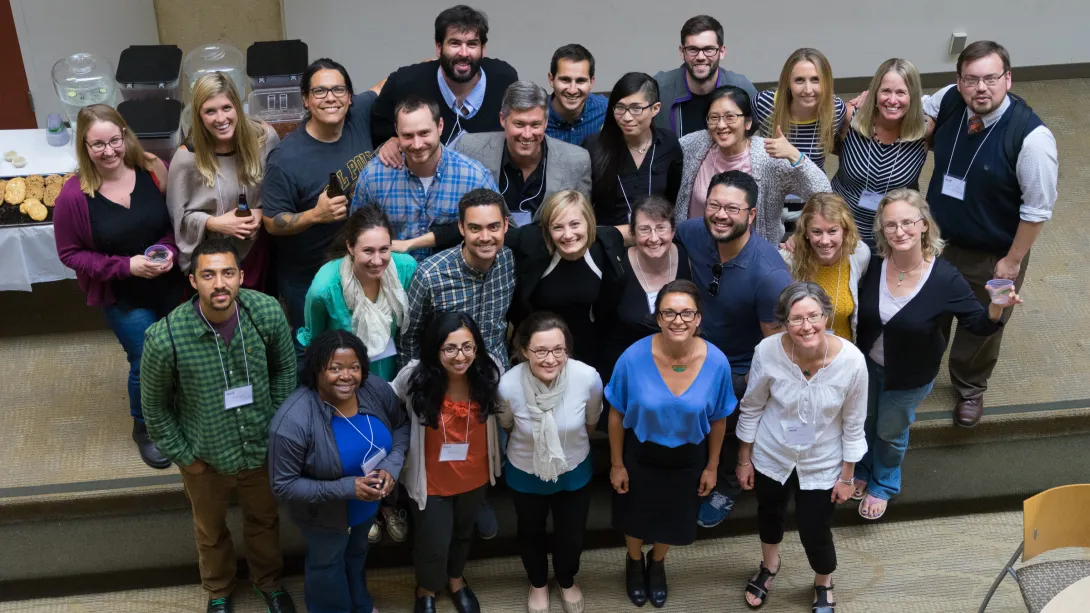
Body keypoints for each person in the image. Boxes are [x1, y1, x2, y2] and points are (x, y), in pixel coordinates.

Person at [140, 239, 297, 613]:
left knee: (264, 520)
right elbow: (154, 410)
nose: (219, 283)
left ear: (241, 276)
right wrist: (185, 457)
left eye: (228, 273)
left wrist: (276, 428)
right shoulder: (166, 339)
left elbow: (286, 372)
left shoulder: (267, 313)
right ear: (193, 281)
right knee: (210, 532)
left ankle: (269, 583)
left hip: (260, 449)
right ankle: (219, 591)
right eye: (208, 275)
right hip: (204, 456)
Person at [854, 189, 1022, 521]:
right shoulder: (871, 266)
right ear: (881, 231)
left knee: (890, 429)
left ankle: (884, 483)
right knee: (865, 420)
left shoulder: (944, 278)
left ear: (923, 226)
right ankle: (862, 465)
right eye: (890, 225)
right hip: (867, 367)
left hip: (910, 377)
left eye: (907, 223)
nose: (899, 232)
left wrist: (995, 308)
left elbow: (978, 325)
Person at [923, 41, 1058, 427]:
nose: (981, 88)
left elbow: (1036, 212)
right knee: (930, 310)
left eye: (991, 78)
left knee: (987, 321)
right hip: (937, 242)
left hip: (997, 253)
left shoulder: (1033, 141)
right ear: (959, 81)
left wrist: (1012, 262)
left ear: (1008, 79)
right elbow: (922, 108)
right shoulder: (950, 101)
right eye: (971, 79)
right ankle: (922, 371)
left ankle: (970, 387)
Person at [53, 103, 181, 469]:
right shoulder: (73, 197)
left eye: (114, 140)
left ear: (125, 135)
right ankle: (145, 427)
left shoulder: (154, 170)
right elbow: (70, 254)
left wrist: (168, 250)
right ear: (84, 146)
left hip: (167, 282)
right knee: (146, 358)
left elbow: (172, 224)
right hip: (122, 294)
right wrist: (126, 266)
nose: (108, 151)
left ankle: (175, 409)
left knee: (176, 349)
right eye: (97, 145)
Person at [735, 282, 867, 612]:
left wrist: (847, 476)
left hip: (823, 461)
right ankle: (769, 567)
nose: (806, 326)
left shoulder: (852, 362)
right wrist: (744, 459)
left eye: (814, 316)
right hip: (771, 453)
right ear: (784, 321)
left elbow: (853, 423)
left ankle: (824, 581)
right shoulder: (767, 351)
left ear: (827, 316)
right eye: (796, 319)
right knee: (769, 513)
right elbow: (752, 406)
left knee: (815, 527)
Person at [673, 170, 792, 529]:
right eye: (714, 205)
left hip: (740, 368)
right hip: (693, 351)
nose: (721, 215)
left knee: (729, 417)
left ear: (751, 215)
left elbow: (775, 347)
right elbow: (654, 232)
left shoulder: (770, 274)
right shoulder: (696, 232)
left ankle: (727, 484)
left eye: (732, 209)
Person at [607, 279, 735, 609]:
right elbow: (616, 412)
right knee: (634, 516)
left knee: (674, 518)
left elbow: (719, 417)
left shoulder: (717, 362)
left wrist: (712, 466)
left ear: (698, 318)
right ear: (658, 317)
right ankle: (634, 562)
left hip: (689, 457)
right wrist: (617, 463)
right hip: (640, 453)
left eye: (686, 313)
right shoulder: (632, 358)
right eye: (669, 313)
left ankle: (657, 563)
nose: (678, 320)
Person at [268, 330, 411, 613]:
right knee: (327, 564)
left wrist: (392, 467)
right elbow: (282, 485)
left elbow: (401, 426)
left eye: (354, 367)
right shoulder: (292, 420)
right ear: (317, 369)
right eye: (335, 368)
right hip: (322, 515)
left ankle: (359, 603)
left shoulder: (375, 389)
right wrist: (348, 488)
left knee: (357, 554)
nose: (346, 376)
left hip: (366, 506)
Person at [416, 190, 626, 374]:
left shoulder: (607, 244)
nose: (568, 234)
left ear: (590, 223)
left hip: (587, 346)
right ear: (547, 230)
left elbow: (641, 232)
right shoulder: (532, 242)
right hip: (536, 349)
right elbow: (479, 235)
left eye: (575, 224)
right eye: (558, 227)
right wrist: (409, 244)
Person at [262, 58, 378, 351]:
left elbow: (387, 84)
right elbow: (271, 222)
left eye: (338, 90)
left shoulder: (359, 115)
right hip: (308, 277)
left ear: (350, 97)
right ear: (305, 99)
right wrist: (315, 215)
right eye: (320, 91)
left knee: (360, 346)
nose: (330, 98)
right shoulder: (286, 159)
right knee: (314, 351)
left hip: (357, 267)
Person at [391, 313, 503, 613]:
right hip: (432, 480)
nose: (460, 356)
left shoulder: (488, 372)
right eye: (450, 348)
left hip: (474, 475)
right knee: (433, 541)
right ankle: (426, 587)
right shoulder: (414, 376)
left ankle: (456, 580)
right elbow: (390, 400)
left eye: (468, 347)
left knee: (464, 533)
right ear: (435, 349)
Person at [497, 312, 603, 613]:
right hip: (525, 470)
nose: (550, 359)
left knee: (571, 533)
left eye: (558, 349)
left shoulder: (587, 377)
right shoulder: (507, 384)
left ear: (567, 349)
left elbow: (591, 420)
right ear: (524, 351)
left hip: (573, 470)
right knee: (530, 530)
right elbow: (507, 425)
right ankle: (538, 583)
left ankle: (567, 580)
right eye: (540, 350)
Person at [675, 86, 830, 245]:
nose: (721, 125)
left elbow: (824, 194)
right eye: (714, 117)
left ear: (748, 122)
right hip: (696, 253)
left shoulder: (769, 156)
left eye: (730, 117)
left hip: (752, 259)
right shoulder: (692, 146)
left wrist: (795, 155)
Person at [168, 72, 279, 290]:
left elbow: (280, 190)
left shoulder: (264, 139)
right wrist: (215, 223)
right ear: (199, 116)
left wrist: (262, 211)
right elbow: (178, 219)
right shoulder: (187, 157)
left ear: (237, 106)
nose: (221, 119)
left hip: (259, 250)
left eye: (226, 108)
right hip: (215, 259)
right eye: (210, 111)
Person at [352, 96, 498, 261]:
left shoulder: (475, 178)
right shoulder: (373, 178)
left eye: (424, 133)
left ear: (440, 126)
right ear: (396, 131)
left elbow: (497, 235)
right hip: (390, 279)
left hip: (453, 283)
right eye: (407, 135)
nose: (417, 144)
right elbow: (356, 236)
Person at [371, 5, 518, 164]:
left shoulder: (504, 80)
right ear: (439, 47)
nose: (463, 53)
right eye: (454, 43)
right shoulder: (404, 84)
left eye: (472, 44)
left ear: (483, 49)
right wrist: (390, 141)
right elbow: (377, 132)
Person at [299, 206, 417, 382]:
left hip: (391, 372)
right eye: (368, 251)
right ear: (350, 247)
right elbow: (316, 345)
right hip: (344, 379)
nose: (377, 261)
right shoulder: (324, 289)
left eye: (384, 249)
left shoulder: (405, 269)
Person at [398, 188, 513, 368]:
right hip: (445, 376)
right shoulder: (430, 275)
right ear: (461, 227)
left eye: (493, 227)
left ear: (505, 225)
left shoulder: (509, 260)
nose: (485, 237)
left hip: (495, 371)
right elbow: (408, 339)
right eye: (475, 228)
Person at [452, 81, 592, 224]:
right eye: (519, 124)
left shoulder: (577, 161)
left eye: (535, 125)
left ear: (545, 122)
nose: (527, 134)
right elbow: (457, 214)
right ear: (502, 119)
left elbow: (582, 223)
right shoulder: (469, 149)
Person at [830, 59, 929, 246]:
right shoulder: (851, 117)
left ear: (914, 96)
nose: (892, 100)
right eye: (886, 91)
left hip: (893, 233)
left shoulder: (925, 131)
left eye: (901, 92)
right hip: (841, 224)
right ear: (875, 92)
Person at [603, 195, 692, 382]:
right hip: (628, 367)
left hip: (677, 366)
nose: (654, 238)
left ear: (673, 230)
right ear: (633, 233)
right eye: (644, 229)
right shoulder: (618, 266)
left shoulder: (686, 257)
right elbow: (605, 324)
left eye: (661, 228)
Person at [583, 72, 683, 226]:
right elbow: (583, 207)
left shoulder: (668, 143)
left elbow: (672, 198)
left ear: (655, 109)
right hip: (607, 242)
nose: (627, 117)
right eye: (620, 108)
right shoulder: (594, 146)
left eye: (636, 108)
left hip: (654, 241)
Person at [781, 193, 870, 341]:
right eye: (816, 232)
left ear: (845, 231)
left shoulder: (858, 255)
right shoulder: (788, 260)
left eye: (832, 231)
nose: (824, 241)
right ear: (806, 232)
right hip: (801, 352)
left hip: (842, 354)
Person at [653, 15, 758, 138]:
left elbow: (762, 131)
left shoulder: (741, 86)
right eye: (693, 49)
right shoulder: (659, 87)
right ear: (682, 52)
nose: (701, 57)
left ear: (722, 52)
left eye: (709, 49)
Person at [753, 48, 847, 173]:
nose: (808, 90)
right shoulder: (764, 104)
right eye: (799, 80)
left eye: (815, 80)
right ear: (788, 83)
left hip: (813, 185)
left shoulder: (836, 110)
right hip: (774, 184)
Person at [546, 44, 608, 145]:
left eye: (580, 81)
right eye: (565, 80)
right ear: (551, 80)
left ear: (592, 82)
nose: (572, 90)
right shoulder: (535, 116)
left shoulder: (606, 111)